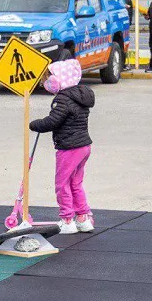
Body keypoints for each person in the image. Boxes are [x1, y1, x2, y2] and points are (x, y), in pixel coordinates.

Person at [29, 59, 95, 234]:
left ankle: (67, 220)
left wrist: (35, 124)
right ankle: (83, 218)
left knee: (62, 184)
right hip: (84, 146)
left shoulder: (63, 98)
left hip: (69, 147)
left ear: (60, 79)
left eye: (49, 78)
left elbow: (53, 121)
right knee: (76, 183)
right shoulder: (80, 96)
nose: (47, 83)